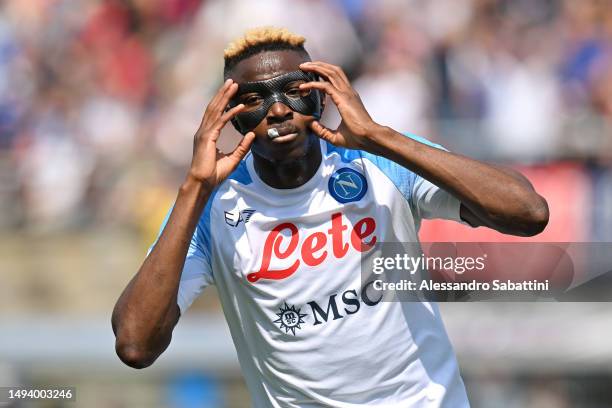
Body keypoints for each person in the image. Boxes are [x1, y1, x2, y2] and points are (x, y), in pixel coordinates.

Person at [112, 27, 549, 407]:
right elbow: (135, 344)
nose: (279, 109)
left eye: (295, 91)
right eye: (256, 99)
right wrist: (194, 187)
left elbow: (528, 213)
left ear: (322, 100)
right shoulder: (209, 205)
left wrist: (380, 136)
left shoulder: (379, 160)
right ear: (234, 119)